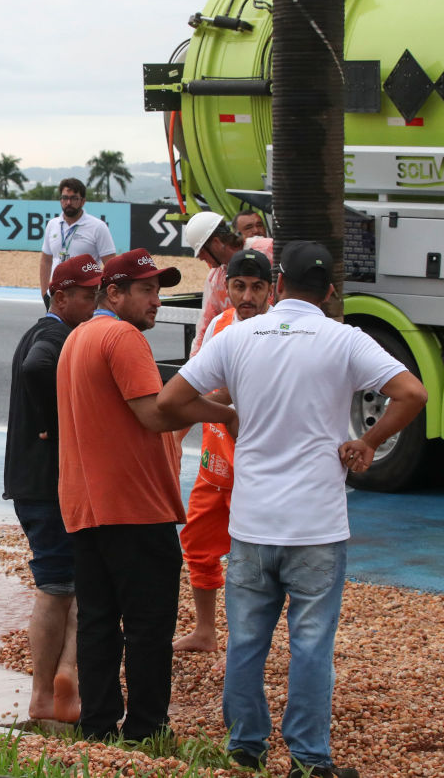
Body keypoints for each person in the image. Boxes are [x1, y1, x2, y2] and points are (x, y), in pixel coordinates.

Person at [159, 241, 426, 777]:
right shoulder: (343, 339)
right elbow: (412, 393)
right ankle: (308, 760)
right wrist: (369, 442)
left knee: (247, 642)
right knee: (310, 647)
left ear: (277, 285)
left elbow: (169, 402)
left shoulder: (236, 336)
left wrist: (227, 413)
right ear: (329, 292)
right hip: (316, 524)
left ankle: (245, 748)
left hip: (253, 522)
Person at [56, 248, 234, 742]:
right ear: (114, 293)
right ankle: (147, 730)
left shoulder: (78, 337)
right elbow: (154, 414)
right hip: (135, 509)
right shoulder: (122, 335)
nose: (157, 300)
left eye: (159, 289)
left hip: (86, 507)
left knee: (97, 624)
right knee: (149, 626)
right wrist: (225, 412)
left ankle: (98, 727)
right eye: (147, 290)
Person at [3, 254, 103, 724]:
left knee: (61, 583)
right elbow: (37, 370)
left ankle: (57, 686)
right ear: (60, 297)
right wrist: (53, 422)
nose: (95, 303)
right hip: (47, 485)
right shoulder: (53, 335)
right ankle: (56, 686)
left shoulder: (38, 332)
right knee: (68, 585)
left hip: (31, 484)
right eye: (87, 295)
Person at [173, 248, 272, 653]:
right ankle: (206, 631)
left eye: (256, 287)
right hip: (215, 465)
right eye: (239, 286)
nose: (247, 296)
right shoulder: (220, 323)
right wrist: (173, 437)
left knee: (256, 562)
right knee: (196, 545)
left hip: (259, 471)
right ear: (226, 287)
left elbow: (216, 391)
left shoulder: (279, 330)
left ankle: (247, 644)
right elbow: (193, 388)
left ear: (271, 290)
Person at [183, 210, 273, 356]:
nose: (200, 258)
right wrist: (193, 365)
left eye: (202, 252)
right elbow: (205, 327)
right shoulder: (215, 279)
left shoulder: (268, 250)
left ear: (216, 243)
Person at [39, 179, 117, 310]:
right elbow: (46, 260)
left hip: (83, 299)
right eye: (65, 198)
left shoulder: (98, 227)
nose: (68, 202)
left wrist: (102, 297)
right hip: (55, 297)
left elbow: (111, 266)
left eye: (74, 198)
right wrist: (44, 292)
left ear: (83, 201)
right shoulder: (52, 224)